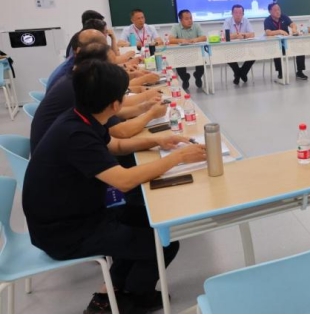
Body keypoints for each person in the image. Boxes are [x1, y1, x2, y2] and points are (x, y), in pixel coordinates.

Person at [23, 60, 206, 313]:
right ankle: (133, 299)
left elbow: (116, 146)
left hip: (78, 214)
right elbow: (124, 180)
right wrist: (179, 157)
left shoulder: (80, 118)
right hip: (65, 233)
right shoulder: (76, 135)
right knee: (163, 242)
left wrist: (159, 140)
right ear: (115, 104)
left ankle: (111, 292)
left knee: (154, 223)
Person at [30, 43, 166, 153]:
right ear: (98, 67)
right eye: (113, 65)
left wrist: (144, 107)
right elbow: (121, 132)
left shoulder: (77, 80)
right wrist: (151, 113)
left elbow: (115, 122)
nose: (118, 68)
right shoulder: (79, 91)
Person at [263, 2, 307, 81]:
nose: (278, 12)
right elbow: (268, 32)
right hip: (276, 44)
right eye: (275, 10)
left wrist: (294, 29)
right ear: (270, 11)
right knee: (277, 50)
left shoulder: (284, 17)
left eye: (279, 9)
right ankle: (280, 72)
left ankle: (300, 72)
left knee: (300, 48)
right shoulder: (267, 20)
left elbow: (293, 24)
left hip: (287, 43)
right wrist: (279, 31)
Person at [168, 9, 207, 91]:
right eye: (186, 19)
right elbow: (170, 40)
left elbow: (204, 37)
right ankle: (185, 78)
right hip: (181, 54)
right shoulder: (175, 27)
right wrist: (181, 40)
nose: (190, 20)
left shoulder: (196, 26)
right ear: (181, 20)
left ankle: (198, 76)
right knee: (178, 63)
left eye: (190, 18)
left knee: (203, 61)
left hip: (196, 53)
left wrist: (195, 40)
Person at [222, 4, 256, 84]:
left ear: (243, 14)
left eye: (240, 13)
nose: (238, 15)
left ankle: (241, 73)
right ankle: (239, 73)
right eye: (236, 13)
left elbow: (252, 34)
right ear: (232, 14)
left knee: (254, 54)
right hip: (231, 48)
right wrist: (237, 35)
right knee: (227, 55)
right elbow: (225, 36)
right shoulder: (227, 21)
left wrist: (243, 35)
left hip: (244, 47)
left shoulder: (246, 20)